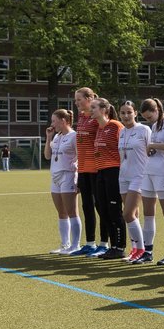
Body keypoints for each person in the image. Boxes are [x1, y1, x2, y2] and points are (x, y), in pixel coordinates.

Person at [134, 98, 164, 264]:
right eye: (145, 118)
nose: (148, 120)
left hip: (163, 173)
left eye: (149, 117)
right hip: (148, 172)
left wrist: (152, 144)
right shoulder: (154, 126)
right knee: (148, 215)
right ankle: (148, 252)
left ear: (157, 111)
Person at [91, 98, 127, 259]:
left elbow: (124, 149)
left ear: (104, 110)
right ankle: (112, 246)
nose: (90, 110)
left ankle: (120, 247)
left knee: (114, 210)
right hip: (101, 172)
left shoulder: (115, 126)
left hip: (114, 171)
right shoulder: (99, 128)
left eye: (94, 107)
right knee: (102, 208)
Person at [118, 101, 151, 262]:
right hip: (123, 176)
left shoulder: (144, 130)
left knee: (127, 214)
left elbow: (152, 152)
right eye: (123, 113)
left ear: (135, 113)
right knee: (133, 214)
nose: (126, 116)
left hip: (139, 176)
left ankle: (141, 249)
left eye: (129, 112)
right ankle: (134, 249)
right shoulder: (122, 132)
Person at [44, 108, 80, 254]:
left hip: (68, 175)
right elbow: (47, 156)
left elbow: (80, 155)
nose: (52, 124)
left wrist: (75, 166)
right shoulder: (57, 137)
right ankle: (65, 244)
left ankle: (75, 245)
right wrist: (48, 138)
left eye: (54, 121)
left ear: (63, 121)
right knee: (61, 213)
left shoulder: (74, 136)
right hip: (55, 176)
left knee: (72, 211)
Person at [71, 87, 100, 255]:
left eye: (79, 99)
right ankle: (90, 243)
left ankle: (106, 244)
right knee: (86, 206)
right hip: (82, 168)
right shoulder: (81, 116)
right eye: (75, 100)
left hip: (96, 168)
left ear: (89, 98)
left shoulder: (97, 117)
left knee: (99, 206)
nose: (76, 103)